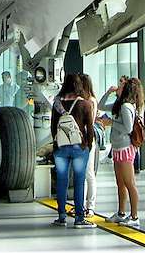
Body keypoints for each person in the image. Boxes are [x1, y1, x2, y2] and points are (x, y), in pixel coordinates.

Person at [50, 73, 97, 229]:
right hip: (79, 148)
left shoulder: (57, 104)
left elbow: (53, 127)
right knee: (78, 182)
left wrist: (57, 143)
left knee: (61, 182)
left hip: (61, 148)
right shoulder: (85, 104)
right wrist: (88, 146)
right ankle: (79, 218)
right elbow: (90, 129)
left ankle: (62, 216)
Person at [99, 76, 144, 226]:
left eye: (121, 85)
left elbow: (128, 128)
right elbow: (101, 105)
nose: (118, 87)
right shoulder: (119, 105)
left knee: (129, 183)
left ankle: (135, 216)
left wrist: (111, 123)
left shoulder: (125, 107)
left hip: (124, 148)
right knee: (120, 183)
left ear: (126, 90)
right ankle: (121, 212)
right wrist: (108, 92)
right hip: (118, 147)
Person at [79, 74, 100, 216]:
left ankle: (90, 205)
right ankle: (82, 204)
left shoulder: (91, 101)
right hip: (82, 138)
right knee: (83, 173)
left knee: (88, 172)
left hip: (88, 138)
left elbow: (89, 121)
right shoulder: (85, 100)